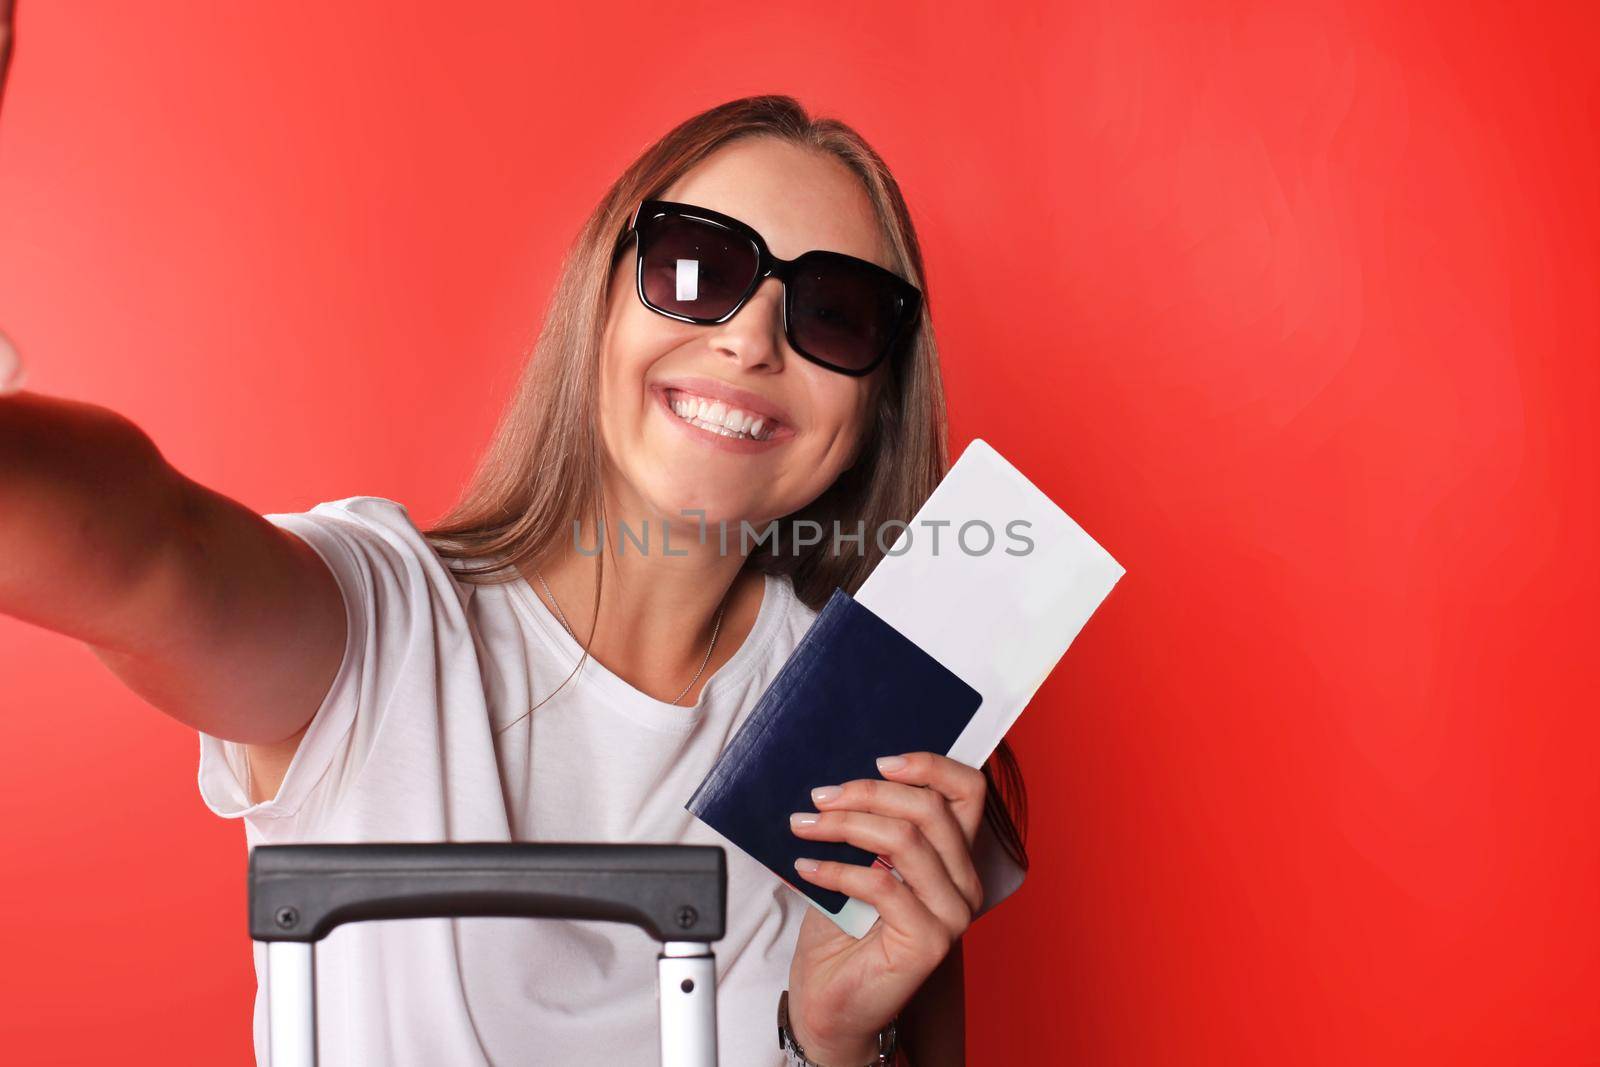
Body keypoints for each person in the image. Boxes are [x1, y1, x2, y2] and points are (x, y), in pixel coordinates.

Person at [0, 93, 1028, 1065]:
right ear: (600, 299)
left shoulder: (880, 727)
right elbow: (142, 543)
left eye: (836, 314)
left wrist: (836, 1042)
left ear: (877, 399)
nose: (749, 339)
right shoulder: (381, 623)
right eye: (695, 264)